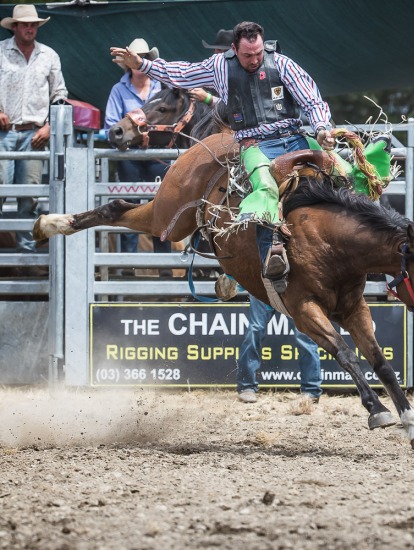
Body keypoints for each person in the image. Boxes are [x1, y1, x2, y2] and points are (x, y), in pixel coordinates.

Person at [110, 22, 391, 293]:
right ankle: (271, 257)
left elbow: (312, 100)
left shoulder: (281, 63)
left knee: (343, 172)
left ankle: (380, 238)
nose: (254, 59)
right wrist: (144, 65)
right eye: (247, 55)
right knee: (265, 186)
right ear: (235, 49)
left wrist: (321, 128)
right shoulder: (220, 66)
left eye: (258, 53)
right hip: (256, 144)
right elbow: (182, 73)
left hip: (295, 136)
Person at [0, 5, 68, 254]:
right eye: (25, 24)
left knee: (29, 197)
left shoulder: (49, 55)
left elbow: (60, 94)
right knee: (0, 189)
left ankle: (25, 256)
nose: (30, 28)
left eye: (33, 24)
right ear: (15, 27)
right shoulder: (0, 52)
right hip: (4, 132)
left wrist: (50, 126)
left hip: (35, 134)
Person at [105, 38, 172, 276]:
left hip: (158, 158)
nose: (138, 60)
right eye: (135, 57)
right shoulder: (119, 90)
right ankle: (128, 266)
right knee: (128, 208)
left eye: (143, 56)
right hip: (130, 158)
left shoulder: (162, 88)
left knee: (161, 208)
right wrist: (136, 138)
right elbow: (110, 128)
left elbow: (172, 123)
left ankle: (164, 267)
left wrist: (150, 138)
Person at [237, 294, 322, 403]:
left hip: (291, 288)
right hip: (262, 287)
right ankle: (246, 387)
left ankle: (311, 391)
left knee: (304, 334)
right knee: (255, 331)